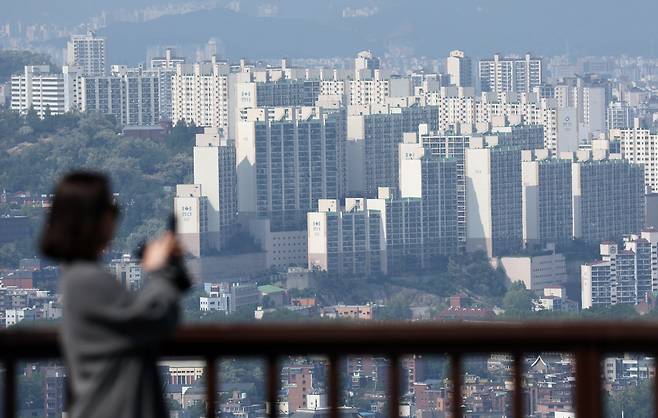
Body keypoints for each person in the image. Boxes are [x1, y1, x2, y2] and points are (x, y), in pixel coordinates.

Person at [40, 172, 190, 418]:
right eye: (110, 208)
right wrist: (160, 271)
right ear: (93, 220)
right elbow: (155, 318)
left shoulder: (77, 276)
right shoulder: (85, 280)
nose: (115, 216)